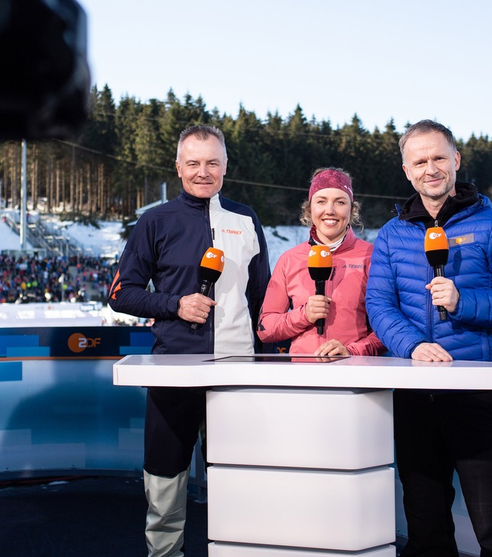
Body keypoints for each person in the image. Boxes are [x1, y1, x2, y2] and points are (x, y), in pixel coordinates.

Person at [365, 120, 492, 557]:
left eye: (439, 157)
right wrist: (411, 346)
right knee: (425, 529)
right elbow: (380, 306)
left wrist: (464, 300)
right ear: (406, 170)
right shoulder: (391, 235)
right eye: (420, 161)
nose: (431, 168)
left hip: (476, 394)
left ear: (456, 161)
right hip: (414, 394)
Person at [108, 124, 270, 557]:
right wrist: (174, 305)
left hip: (238, 372)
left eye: (212, 162)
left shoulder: (246, 218)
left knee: (239, 479)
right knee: (164, 482)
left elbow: (264, 301)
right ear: (178, 166)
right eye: (194, 163)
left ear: (225, 167)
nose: (203, 172)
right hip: (174, 369)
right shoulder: (155, 220)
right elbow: (120, 293)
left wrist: (272, 364)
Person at [257, 167, 384, 357]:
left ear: (352, 209)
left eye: (340, 202)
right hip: (304, 378)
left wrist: (351, 352)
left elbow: (387, 329)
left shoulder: (372, 256)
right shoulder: (289, 259)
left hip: (356, 376)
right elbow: (265, 329)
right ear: (310, 209)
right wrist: (304, 315)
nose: (330, 211)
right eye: (321, 201)